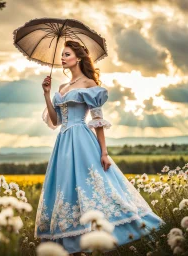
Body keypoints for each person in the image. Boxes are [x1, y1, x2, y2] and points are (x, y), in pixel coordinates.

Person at [34, 40, 165, 256]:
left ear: (78, 57)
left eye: (66, 54)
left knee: (92, 186)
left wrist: (104, 152)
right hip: (63, 143)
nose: (62, 58)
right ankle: (75, 244)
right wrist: (47, 94)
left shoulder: (89, 85)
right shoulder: (61, 87)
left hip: (82, 140)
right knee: (67, 190)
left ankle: (117, 230)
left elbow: (98, 121)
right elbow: (56, 121)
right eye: (62, 55)